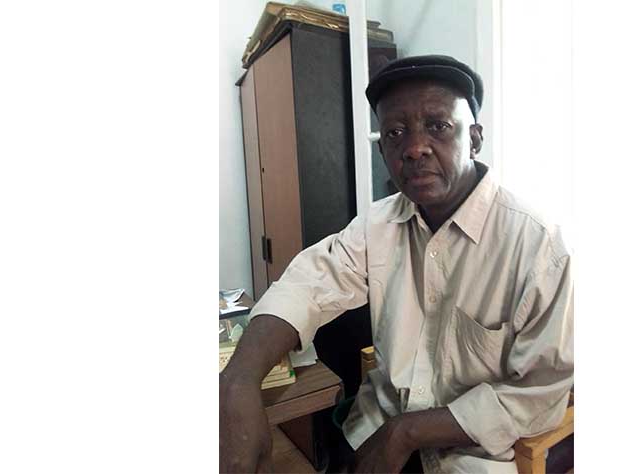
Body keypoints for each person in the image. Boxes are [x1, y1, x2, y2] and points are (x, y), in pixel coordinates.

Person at [220, 55, 573, 473]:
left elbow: (538, 393)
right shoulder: (378, 223)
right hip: (371, 432)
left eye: (438, 126)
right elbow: (308, 284)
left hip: (469, 457)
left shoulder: (537, 246)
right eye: (395, 133)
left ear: (475, 138)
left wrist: (407, 432)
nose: (414, 148)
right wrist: (238, 381)